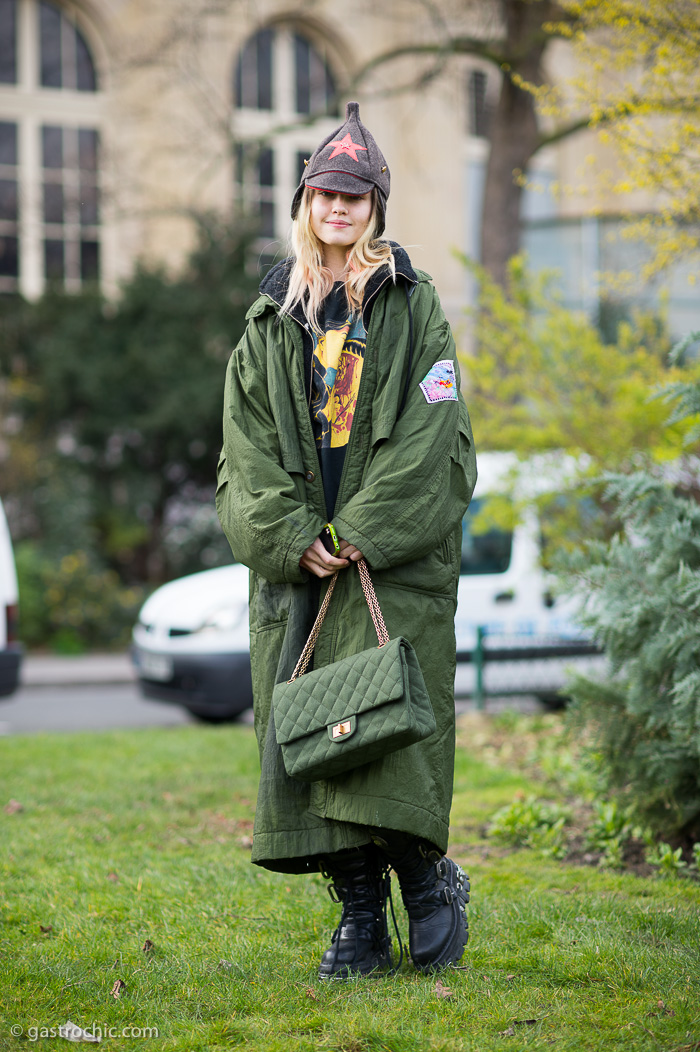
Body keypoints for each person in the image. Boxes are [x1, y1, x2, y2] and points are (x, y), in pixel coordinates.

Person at [216, 102, 477, 978]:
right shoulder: (268, 319)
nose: (339, 207)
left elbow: (434, 436)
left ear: (375, 210)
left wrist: (360, 531)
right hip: (301, 572)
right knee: (316, 738)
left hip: (388, 563)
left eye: (355, 196)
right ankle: (361, 917)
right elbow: (242, 455)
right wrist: (295, 538)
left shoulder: (414, 306)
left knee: (387, 730)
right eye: (326, 191)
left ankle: (427, 881)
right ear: (304, 201)